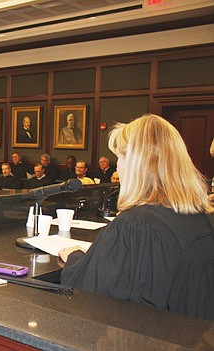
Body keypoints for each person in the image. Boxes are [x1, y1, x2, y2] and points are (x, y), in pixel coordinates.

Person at [59, 114, 214, 321]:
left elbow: (94, 292)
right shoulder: (201, 215)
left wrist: (74, 256)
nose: (117, 167)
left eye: (121, 157)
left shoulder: (136, 225)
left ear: (137, 164)